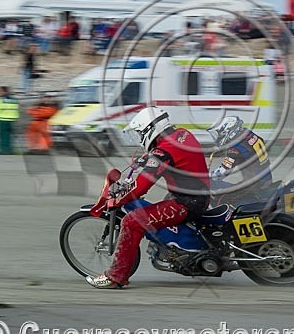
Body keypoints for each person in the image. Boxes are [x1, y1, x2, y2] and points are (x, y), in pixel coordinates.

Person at [86, 107, 211, 289]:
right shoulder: (180, 134)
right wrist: (147, 158)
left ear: (150, 129)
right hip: (196, 195)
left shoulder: (163, 151)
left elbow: (142, 186)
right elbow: (164, 156)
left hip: (187, 203)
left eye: (139, 133)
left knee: (131, 222)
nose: (139, 138)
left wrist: (118, 199)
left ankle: (116, 276)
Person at [206, 116, 273, 205]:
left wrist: (204, 177)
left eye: (220, 134)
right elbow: (259, 144)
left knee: (220, 199)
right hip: (265, 177)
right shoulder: (248, 133)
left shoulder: (235, 149)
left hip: (255, 185)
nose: (218, 137)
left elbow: (222, 173)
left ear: (228, 132)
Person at [0, 86, 19, 154]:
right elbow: (15, 107)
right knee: (7, 136)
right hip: (11, 119)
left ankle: (3, 150)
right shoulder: (13, 100)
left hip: (2, 119)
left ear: (4, 92)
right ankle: (8, 150)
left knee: (3, 136)